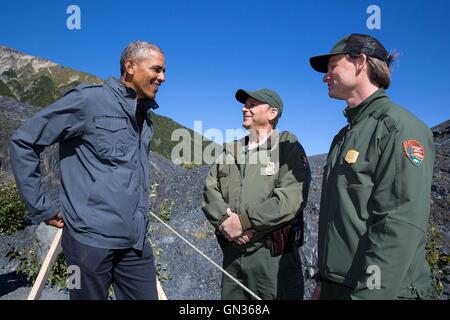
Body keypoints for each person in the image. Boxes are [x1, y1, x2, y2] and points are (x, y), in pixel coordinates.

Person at [9, 41, 166, 300]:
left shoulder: (143, 115)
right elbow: (24, 141)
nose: (162, 77)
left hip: (135, 244)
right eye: (157, 69)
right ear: (130, 67)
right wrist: (41, 207)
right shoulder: (87, 100)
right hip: (85, 245)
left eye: (164, 71)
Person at [309, 33, 435, 299]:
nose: (325, 76)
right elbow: (342, 217)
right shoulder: (345, 136)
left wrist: (371, 294)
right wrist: (324, 280)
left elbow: (397, 224)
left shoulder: (399, 127)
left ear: (360, 62)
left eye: (333, 66)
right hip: (338, 286)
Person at [202, 88, 311, 300]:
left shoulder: (288, 147)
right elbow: (210, 190)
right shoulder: (230, 150)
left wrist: (244, 222)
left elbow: (291, 198)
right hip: (232, 255)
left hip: (271, 260)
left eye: (252, 105)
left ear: (272, 113)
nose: (244, 108)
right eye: (245, 105)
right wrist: (227, 222)